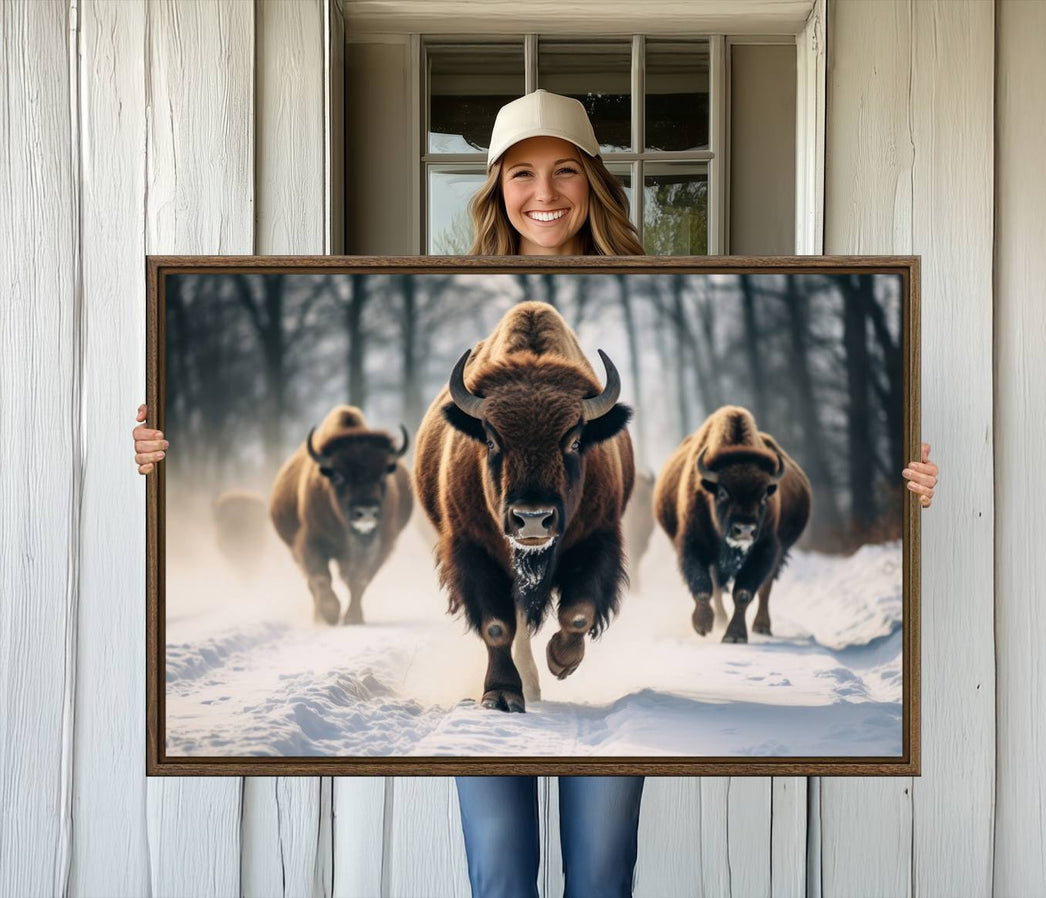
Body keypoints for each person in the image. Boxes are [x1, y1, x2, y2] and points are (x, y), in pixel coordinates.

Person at [131, 90, 939, 897]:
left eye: (565, 172)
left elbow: (606, 530)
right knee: (500, 875)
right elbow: (459, 533)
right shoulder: (456, 366)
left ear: (595, 180)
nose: (544, 194)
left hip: (574, 530)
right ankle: (499, 639)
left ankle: (575, 618)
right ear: (494, 187)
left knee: (600, 875)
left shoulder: (609, 383)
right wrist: (154, 446)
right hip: (488, 548)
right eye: (521, 173)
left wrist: (912, 480)